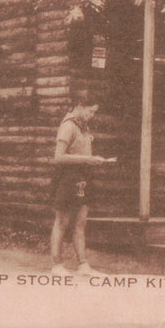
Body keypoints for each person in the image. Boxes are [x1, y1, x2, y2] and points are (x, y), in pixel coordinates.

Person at [51, 101, 110, 276]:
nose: (92, 115)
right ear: (80, 105)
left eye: (95, 113)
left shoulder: (83, 127)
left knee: (80, 223)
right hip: (67, 178)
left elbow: (81, 152)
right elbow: (58, 157)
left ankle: (83, 265)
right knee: (62, 222)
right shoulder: (68, 126)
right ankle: (57, 265)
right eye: (91, 111)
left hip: (83, 177)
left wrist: (92, 159)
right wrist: (86, 159)